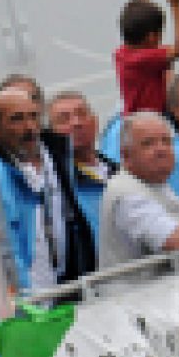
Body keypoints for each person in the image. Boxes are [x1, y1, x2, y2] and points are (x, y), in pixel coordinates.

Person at [0, 82, 97, 290]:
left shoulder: (59, 154)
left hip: (71, 284)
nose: (29, 127)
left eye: (33, 116)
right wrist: (24, 294)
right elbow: (6, 243)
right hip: (32, 294)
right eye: (17, 119)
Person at [98, 112, 179, 268]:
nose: (161, 150)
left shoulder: (156, 183)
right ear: (126, 155)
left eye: (166, 141)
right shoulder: (126, 193)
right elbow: (173, 239)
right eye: (148, 144)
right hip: (140, 284)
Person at [45, 91, 116, 243]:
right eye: (64, 119)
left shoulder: (120, 171)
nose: (77, 123)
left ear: (95, 121)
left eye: (82, 114)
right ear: (51, 133)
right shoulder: (57, 185)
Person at [113, 0, 179, 115]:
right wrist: (176, 5)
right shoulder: (144, 59)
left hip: (138, 118)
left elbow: (142, 21)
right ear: (151, 37)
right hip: (150, 121)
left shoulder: (122, 53)